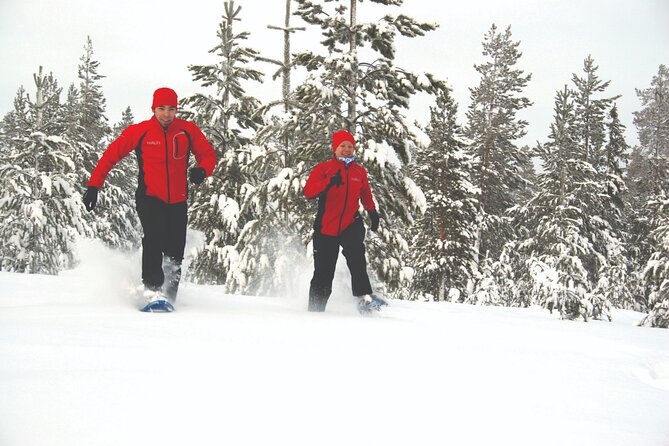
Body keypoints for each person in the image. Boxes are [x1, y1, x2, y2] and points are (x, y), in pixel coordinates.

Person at [82, 87, 217, 308]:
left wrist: (202, 170)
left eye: (171, 109)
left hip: (178, 200)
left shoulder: (187, 131)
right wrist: (94, 185)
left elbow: (208, 155)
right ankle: (152, 291)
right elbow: (110, 155)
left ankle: (169, 297)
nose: (166, 114)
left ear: (176, 110)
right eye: (161, 109)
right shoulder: (141, 131)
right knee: (154, 238)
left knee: (175, 249)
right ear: (153, 108)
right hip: (150, 197)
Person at [303, 129, 386, 314]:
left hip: (350, 222)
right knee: (323, 273)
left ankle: (364, 298)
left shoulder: (359, 171)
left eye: (350, 146)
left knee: (356, 254)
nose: (347, 149)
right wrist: (328, 182)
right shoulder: (324, 169)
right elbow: (308, 192)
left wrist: (372, 211)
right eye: (343, 146)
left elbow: (365, 193)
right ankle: (315, 311)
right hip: (326, 227)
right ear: (335, 148)